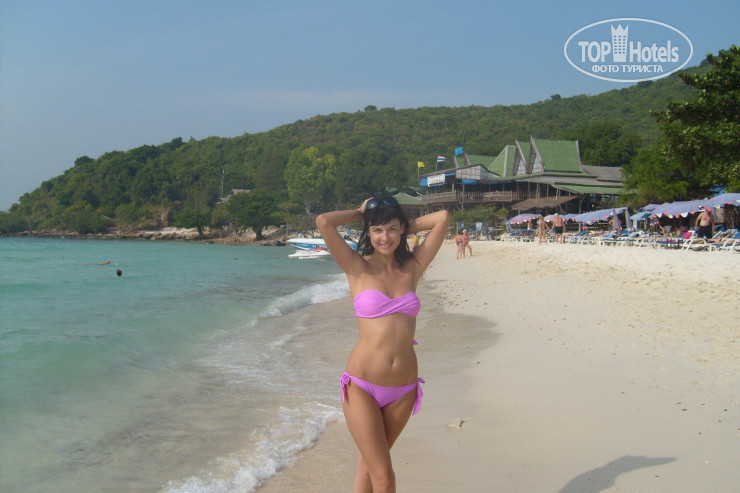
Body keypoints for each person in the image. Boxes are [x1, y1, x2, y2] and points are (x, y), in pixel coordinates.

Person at [316, 197, 450, 493]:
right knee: (384, 476)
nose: (384, 237)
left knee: (369, 465)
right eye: (377, 230)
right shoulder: (356, 267)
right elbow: (324, 222)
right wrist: (361, 213)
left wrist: (399, 224)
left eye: (391, 229)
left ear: (401, 229)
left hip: (403, 389)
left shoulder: (412, 267)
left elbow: (442, 218)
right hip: (362, 385)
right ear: (368, 232)